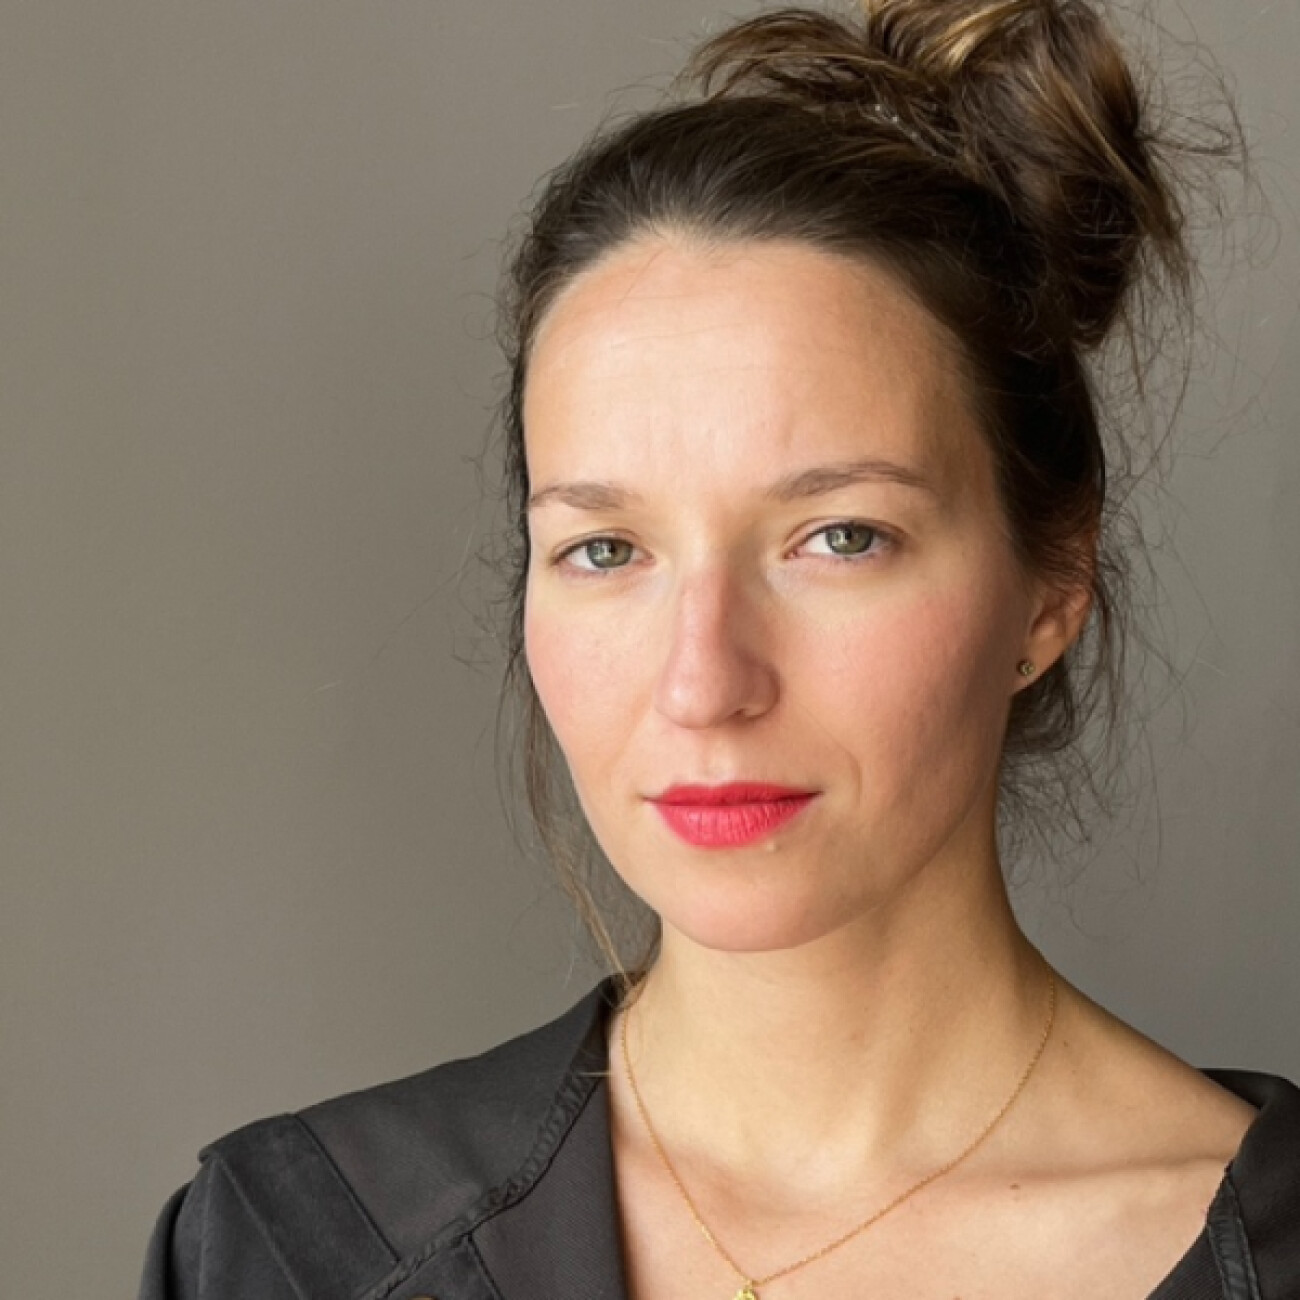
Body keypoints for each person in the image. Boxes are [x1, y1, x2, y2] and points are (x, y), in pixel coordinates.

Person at [137, 2, 1300, 1297]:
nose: (703, 684)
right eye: (607, 549)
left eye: (839, 538)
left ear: (1051, 583)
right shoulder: (289, 1251)